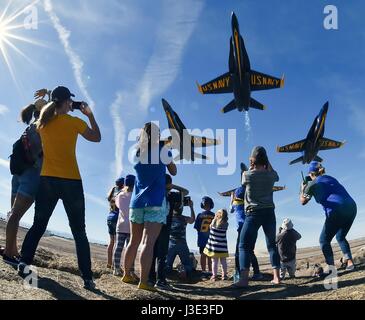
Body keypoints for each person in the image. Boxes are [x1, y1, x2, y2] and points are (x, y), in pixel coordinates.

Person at [18, 86, 101, 290]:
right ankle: (88, 278)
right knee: (79, 231)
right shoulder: (74, 122)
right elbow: (97, 137)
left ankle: (24, 262)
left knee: (39, 225)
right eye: (69, 101)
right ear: (66, 102)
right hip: (71, 181)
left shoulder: (42, 123)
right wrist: (89, 115)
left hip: (47, 180)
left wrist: (50, 100)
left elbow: (42, 109)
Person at [122, 122, 177, 292]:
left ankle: (127, 274)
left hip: (137, 202)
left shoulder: (136, 152)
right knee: (149, 242)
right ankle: (144, 281)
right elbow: (173, 171)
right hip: (155, 201)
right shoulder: (163, 151)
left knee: (133, 241)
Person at [2, 99, 47, 266]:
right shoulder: (42, 126)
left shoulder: (31, 126)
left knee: (13, 214)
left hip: (18, 174)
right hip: (32, 175)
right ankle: (8, 254)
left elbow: (44, 107)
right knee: (15, 215)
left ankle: (11, 250)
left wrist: (45, 96)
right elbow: (49, 110)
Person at [235, 146, 281, 288]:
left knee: (244, 246)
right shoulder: (271, 175)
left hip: (253, 214)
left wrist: (252, 165)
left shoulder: (247, 175)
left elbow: (243, 184)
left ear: (252, 160)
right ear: (266, 160)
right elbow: (276, 176)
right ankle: (277, 278)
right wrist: (266, 162)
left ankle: (243, 280)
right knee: (271, 245)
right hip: (269, 212)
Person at [300, 161, 357, 271]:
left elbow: (302, 201)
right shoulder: (330, 178)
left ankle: (331, 268)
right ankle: (350, 262)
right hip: (352, 207)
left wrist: (302, 188)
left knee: (323, 240)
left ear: (311, 174)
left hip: (336, 210)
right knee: (340, 237)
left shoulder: (312, 184)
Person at [149, 174, 189, 289]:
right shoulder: (171, 196)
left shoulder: (154, 193)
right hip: (165, 228)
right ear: (169, 185)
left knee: (152, 253)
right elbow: (185, 192)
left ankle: (151, 278)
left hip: (152, 225)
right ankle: (160, 280)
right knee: (162, 255)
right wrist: (172, 186)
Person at [230, 187, 262, 281]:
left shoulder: (236, 203)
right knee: (250, 251)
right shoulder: (250, 204)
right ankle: (257, 272)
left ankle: (239, 274)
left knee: (238, 252)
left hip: (241, 229)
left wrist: (231, 198)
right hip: (252, 227)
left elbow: (230, 210)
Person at [166, 198, 195, 280]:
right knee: (188, 264)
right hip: (182, 243)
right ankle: (184, 268)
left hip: (171, 244)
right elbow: (192, 220)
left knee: (167, 265)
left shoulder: (169, 218)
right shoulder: (184, 218)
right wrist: (191, 207)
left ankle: (168, 270)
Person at [113, 175, 136, 277]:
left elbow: (117, 205)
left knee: (118, 248)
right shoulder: (135, 196)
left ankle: (116, 269)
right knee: (131, 249)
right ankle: (130, 270)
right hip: (132, 226)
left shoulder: (120, 195)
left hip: (121, 225)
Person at [203, 209, 229, 281]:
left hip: (215, 247)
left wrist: (214, 218)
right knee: (223, 261)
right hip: (223, 247)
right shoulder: (226, 224)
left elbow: (210, 227)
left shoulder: (214, 222)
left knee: (214, 261)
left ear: (218, 215)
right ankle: (224, 276)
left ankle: (214, 276)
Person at [194, 197, 215, 273]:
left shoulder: (200, 215)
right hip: (211, 239)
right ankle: (210, 271)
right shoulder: (214, 215)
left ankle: (203, 271)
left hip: (202, 239)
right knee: (210, 256)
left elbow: (196, 227)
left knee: (203, 255)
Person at [106, 197, 119, 269]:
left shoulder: (112, 192)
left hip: (110, 217)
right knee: (117, 242)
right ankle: (114, 265)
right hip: (116, 217)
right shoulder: (121, 192)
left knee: (111, 241)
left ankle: (109, 263)